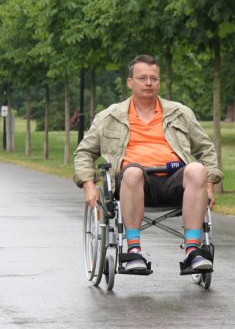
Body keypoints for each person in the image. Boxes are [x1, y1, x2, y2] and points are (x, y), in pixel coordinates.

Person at [73, 54, 223, 272]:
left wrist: (209, 185)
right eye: (142, 78)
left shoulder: (180, 113)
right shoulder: (109, 116)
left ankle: (192, 250)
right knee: (132, 171)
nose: (149, 83)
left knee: (197, 169)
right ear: (130, 82)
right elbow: (84, 152)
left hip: (175, 181)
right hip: (133, 183)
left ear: (159, 82)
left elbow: (206, 149)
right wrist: (88, 185)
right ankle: (133, 250)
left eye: (154, 78)